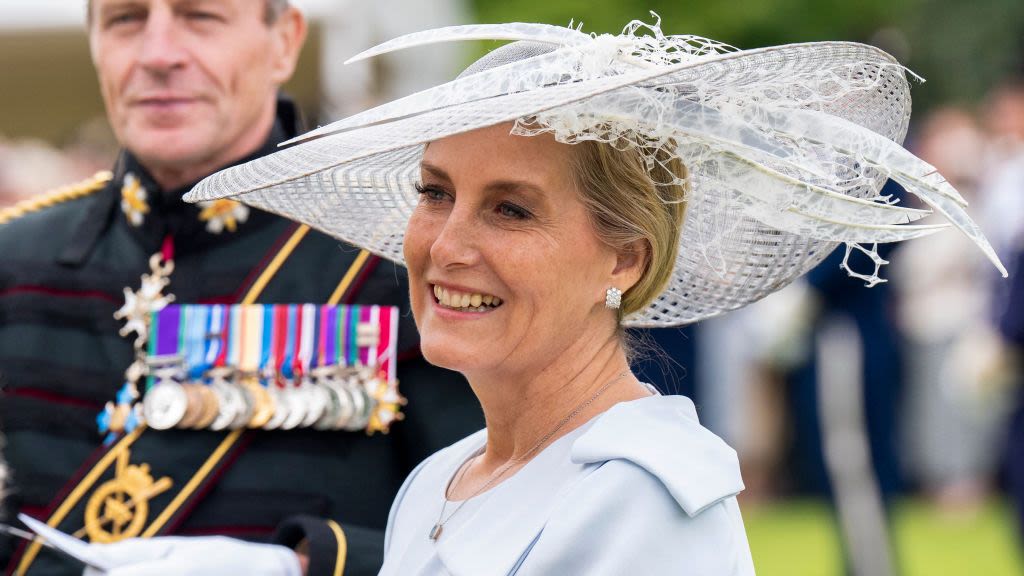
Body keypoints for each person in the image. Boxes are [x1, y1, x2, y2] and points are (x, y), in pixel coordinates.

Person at [185, 18, 1006, 574]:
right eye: (436, 193)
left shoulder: (644, 498)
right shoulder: (438, 480)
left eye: (511, 209)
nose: (447, 245)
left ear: (624, 258)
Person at [0, 1, 481, 575]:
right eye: (125, 19)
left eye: (200, 16)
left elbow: (493, 530)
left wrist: (305, 566)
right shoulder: (15, 261)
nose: (157, 55)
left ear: (284, 41)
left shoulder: (397, 262)